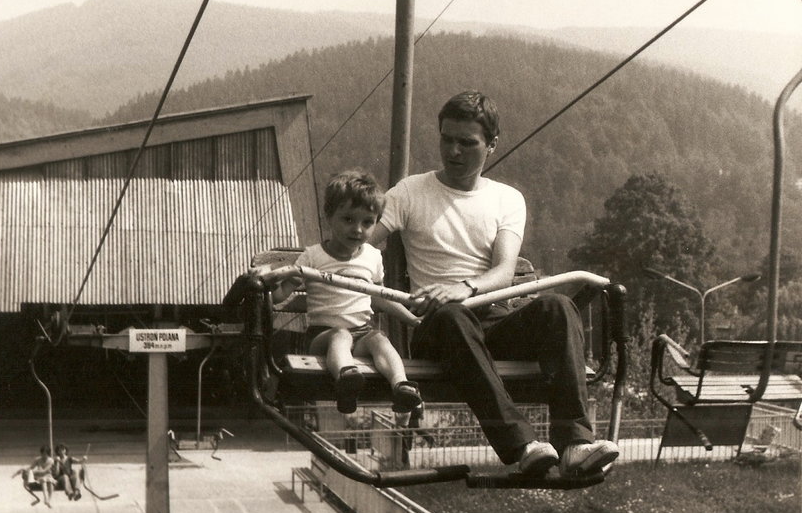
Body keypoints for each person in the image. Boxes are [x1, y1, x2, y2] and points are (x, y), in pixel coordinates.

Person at [371, 90, 619, 477]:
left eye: (467, 143)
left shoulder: (507, 199)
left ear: (491, 145)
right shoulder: (409, 192)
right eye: (446, 139)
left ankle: (574, 444)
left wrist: (467, 287)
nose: (453, 152)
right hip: (439, 328)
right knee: (453, 315)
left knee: (558, 306)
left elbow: (504, 270)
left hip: (490, 321)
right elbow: (356, 243)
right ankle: (522, 446)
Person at [259, 170, 423, 415]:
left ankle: (401, 386)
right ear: (329, 217)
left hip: (362, 333)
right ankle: (346, 380)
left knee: (379, 338)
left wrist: (411, 318)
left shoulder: (373, 257)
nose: (357, 229)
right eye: (348, 219)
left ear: (376, 222)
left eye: (367, 222)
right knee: (340, 335)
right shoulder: (313, 257)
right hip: (323, 337)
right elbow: (282, 296)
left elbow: (379, 297)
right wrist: (266, 284)